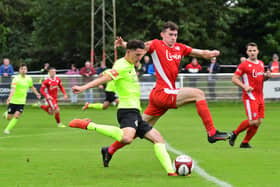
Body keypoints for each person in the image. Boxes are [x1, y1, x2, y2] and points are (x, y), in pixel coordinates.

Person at [103, 21, 229, 167]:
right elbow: (139, 48)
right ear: (162, 35)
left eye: (175, 35)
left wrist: (211, 54)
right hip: (163, 92)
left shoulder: (180, 48)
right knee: (198, 94)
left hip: (160, 96)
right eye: (170, 34)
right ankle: (212, 133)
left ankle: (109, 150)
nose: (173, 37)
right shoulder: (157, 44)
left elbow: (200, 53)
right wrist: (124, 44)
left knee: (137, 130)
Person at [69, 40, 178, 176]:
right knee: (127, 138)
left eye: (140, 55)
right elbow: (105, 78)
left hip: (136, 112)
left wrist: (123, 44)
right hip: (126, 110)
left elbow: (138, 53)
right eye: (137, 55)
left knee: (158, 138)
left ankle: (171, 172)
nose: (139, 59)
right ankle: (89, 125)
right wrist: (83, 87)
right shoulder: (121, 65)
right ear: (128, 52)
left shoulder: (132, 61)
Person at [229, 42, 271, 148]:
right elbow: (234, 79)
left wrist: (267, 76)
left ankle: (245, 143)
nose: (252, 53)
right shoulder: (244, 65)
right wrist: (244, 87)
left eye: (254, 50)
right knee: (253, 121)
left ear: (258, 51)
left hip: (260, 96)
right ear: (247, 52)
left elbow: (261, 79)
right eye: (250, 51)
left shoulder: (261, 64)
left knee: (258, 122)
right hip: (250, 96)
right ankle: (234, 133)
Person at [2, 63, 41, 134]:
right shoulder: (16, 79)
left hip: (22, 101)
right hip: (13, 101)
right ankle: (6, 114)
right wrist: (9, 98)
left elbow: (31, 87)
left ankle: (7, 129)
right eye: (22, 69)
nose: (23, 70)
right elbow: (13, 89)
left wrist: (37, 93)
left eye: (25, 69)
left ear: (27, 70)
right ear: (19, 70)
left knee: (17, 115)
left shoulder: (29, 78)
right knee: (9, 118)